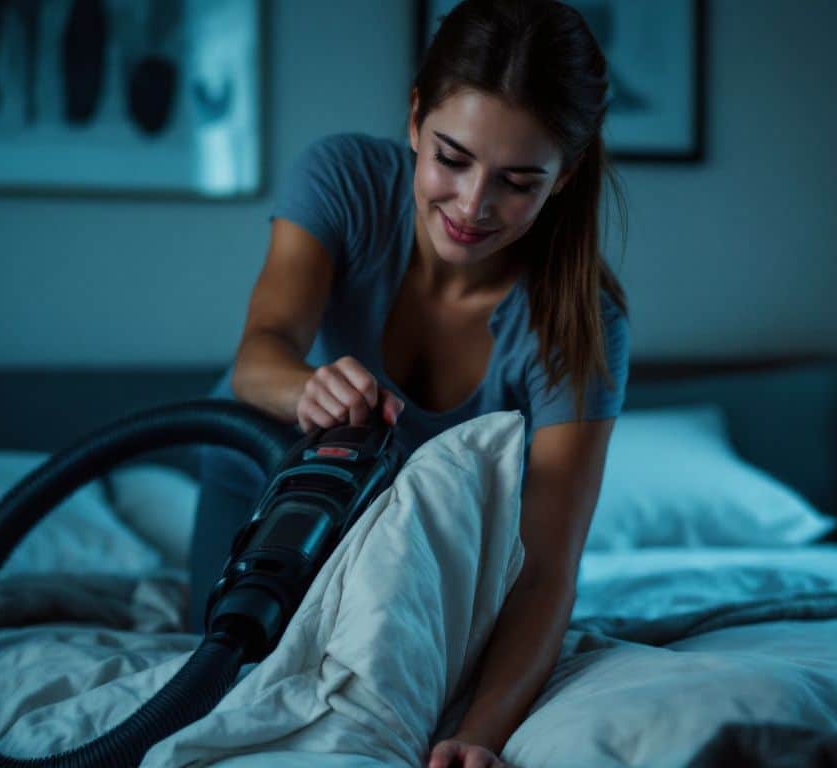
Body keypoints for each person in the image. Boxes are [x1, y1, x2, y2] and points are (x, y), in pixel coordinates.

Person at [188, 1, 629, 765]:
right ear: (416, 116)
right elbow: (259, 352)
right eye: (451, 159)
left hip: (415, 551)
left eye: (518, 181)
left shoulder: (579, 324)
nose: (472, 206)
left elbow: (547, 568)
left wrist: (478, 735)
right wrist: (303, 390)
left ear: (566, 177)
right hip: (262, 497)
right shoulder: (345, 180)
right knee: (235, 682)